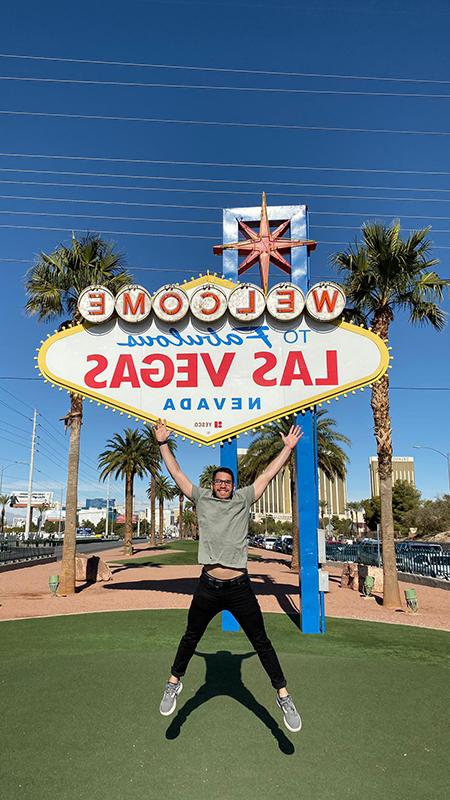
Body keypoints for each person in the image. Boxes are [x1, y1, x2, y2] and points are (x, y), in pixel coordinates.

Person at [155, 418, 304, 733]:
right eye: (219, 481)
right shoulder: (201, 499)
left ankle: (283, 695)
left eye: (227, 482)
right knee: (190, 636)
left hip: (239, 588)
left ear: (233, 485)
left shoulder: (244, 498)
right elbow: (177, 473)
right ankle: (173, 683)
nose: (223, 485)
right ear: (213, 484)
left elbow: (266, 474)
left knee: (261, 641)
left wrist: (287, 449)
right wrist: (162, 444)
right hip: (208, 587)